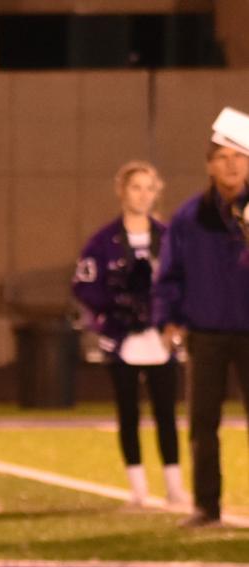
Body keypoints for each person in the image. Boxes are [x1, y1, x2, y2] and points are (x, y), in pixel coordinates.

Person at [73, 161, 187, 510]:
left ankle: (174, 486)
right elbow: (83, 284)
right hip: (122, 339)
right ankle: (137, 487)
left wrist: (173, 317)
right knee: (128, 413)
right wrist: (113, 308)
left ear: (157, 192)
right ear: (121, 191)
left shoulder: (168, 238)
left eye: (149, 188)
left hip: (160, 338)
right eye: (135, 187)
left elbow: (185, 283)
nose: (142, 194)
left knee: (167, 413)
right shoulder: (102, 241)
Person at [154, 116, 249, 528]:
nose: (232, 166)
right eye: (223, 158)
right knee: (202, 422)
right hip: (207, 332)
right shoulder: (189, 217)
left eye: (240, 157)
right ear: (209, 165)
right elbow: (169, 275)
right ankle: (206, 506)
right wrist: (169, 319)